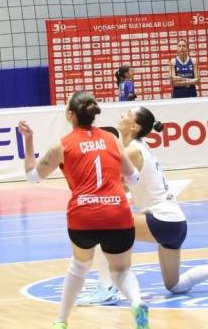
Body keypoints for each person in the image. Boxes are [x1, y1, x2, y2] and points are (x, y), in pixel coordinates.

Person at [76, 108, 208, 306]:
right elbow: (125, 185)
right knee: (176, 285)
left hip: (163, 220)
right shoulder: (138, 148)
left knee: (103, 228)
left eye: (127, 114)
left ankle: (107, 289)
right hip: (175, 223)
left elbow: (111, 185)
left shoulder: (132, 151)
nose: (122, 115)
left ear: (134, 126)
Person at [18, 92, 149, 329]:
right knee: (121, 270)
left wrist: (28, 140)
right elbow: (135, 179)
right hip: (117, 212)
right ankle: (137, 302)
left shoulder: (62, 145)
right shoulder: (112, 139)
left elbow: (33, 176)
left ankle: (61, 321)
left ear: (71, 115)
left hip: (83, 215)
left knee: (78, 267)